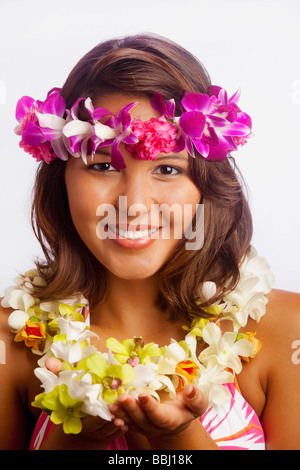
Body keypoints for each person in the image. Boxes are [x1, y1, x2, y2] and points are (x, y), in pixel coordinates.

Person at [0, 33, 300, 451]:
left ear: (206, 184)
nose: (135, 206)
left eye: (168, 169)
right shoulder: (11, 340)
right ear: (61, 178)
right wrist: (75, 439)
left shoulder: (287, 330)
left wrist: (181, 437)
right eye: (103, 165)